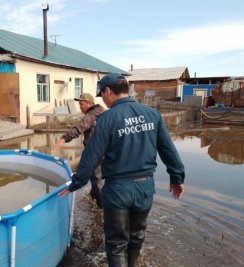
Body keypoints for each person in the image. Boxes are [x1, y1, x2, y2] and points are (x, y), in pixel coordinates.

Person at [60, 73, 185, 267]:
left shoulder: (107, 119)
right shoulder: (152, 114)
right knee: (137, 235)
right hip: (145, 188)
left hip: (118, 190)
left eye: (101, 95)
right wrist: (177, 178)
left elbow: (91, 157)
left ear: (108, 91)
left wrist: (76, 183)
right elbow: (168, 148)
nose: (103, 100)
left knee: (117, 243)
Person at [51, 93, 105, 207]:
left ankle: (102, 208)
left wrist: (64, 139)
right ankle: (93, 198)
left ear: (90, 103)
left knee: (96, 180)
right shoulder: (102, 111)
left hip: (94, 153)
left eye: (81, 104)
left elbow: (79, 128)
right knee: (98, 178)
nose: (80, 107)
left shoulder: (90, 115)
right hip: (105, 151)